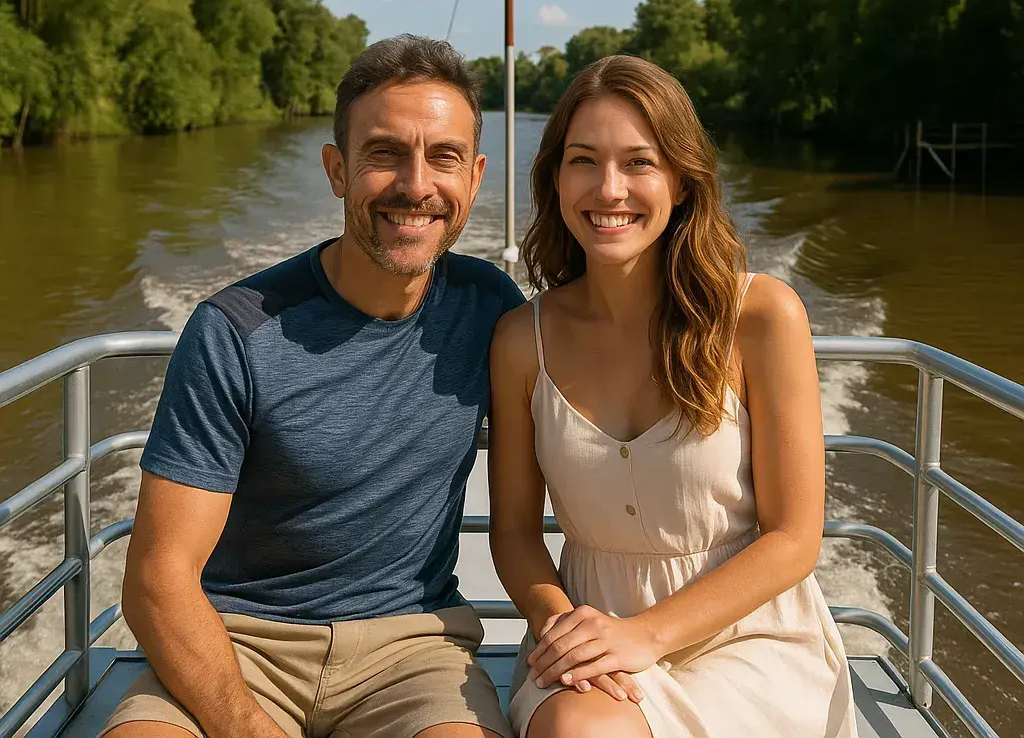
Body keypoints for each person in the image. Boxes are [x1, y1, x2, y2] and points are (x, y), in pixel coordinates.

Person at [102, 36, 524, 738]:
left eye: (442, 156)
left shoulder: (492, 308)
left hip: (413, 652)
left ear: (475, 177)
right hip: (238, 642)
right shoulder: (233, 330)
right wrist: (243, 725)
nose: (416, 184)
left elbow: (605, 382)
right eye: (385, 152)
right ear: (337, 169)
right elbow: (157, 578)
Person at [488, 55, 858, 738]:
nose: (609, 188)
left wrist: (648, 637)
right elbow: (512, 531)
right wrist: (561, 627)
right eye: (583, 160)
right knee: (579, 728)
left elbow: (794, 538)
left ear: (683, 180)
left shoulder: (762, 317)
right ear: (554, 178)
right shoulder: (521, 341)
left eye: (639, 162)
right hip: (588, 637)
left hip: (749, 637)